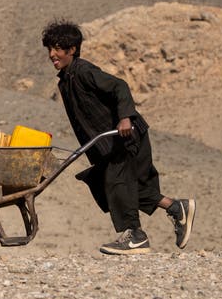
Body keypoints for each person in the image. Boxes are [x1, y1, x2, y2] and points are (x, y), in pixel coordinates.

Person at [42, 19, 196, 255]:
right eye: (49, 49)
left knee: (117, 182)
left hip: (124, 137)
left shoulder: (83, 71)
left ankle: (135, 235)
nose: (52, 54)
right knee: (128, 187)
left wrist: (125, 117)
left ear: (71, 50)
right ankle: (176, 207)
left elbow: (120, 87)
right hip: (108, 144)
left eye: (57, 48)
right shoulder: (66, 79)